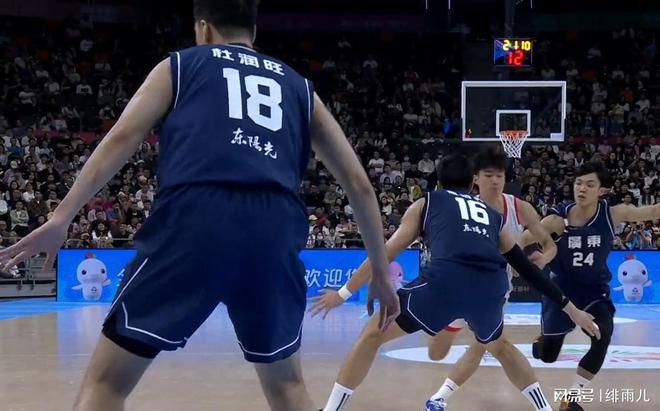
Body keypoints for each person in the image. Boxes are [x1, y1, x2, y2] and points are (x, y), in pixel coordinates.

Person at [0, 1, 399, 411]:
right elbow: (359, 185)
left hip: (197, 217)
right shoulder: (300, 87)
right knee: (286, 387)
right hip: (274, 228)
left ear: (203, 28)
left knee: (106, 385)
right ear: (253, 32)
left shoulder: (180, 65)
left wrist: (62, 216)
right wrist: (380, 273)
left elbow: (123, 136)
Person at [311, 154, 599, 411]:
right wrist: (572, 310)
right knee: (499, 346)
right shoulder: (492, 216)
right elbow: (527, 268)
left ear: (437, 182)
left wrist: (343, 293)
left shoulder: (427, 203)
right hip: (491, 292)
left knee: (372, 334)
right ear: (472, 183)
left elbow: (385, 253)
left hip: (444, 284)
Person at [423, 146, 557, 410]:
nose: (495, 180)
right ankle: (439, 396)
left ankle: (439, 398)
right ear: (475, 178)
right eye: (488, 175)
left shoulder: (520, 208)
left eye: (500, 175)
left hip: (493, 292)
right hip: (456, 287)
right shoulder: (460, 207)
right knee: (437, 353)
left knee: (486, 345)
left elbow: (549, 244)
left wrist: (544, 258)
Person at [521, 161, 660, 411]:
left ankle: (571, 399)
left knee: (602, 334)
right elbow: (523, 239)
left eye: (589, 184)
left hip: (594, 289)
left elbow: (651, 211)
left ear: (601, 191)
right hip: (561, 289)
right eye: (578, 183)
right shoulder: (557, 219)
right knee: (548, 355)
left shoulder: (612, 214)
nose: (581, 188)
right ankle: (542, 341)